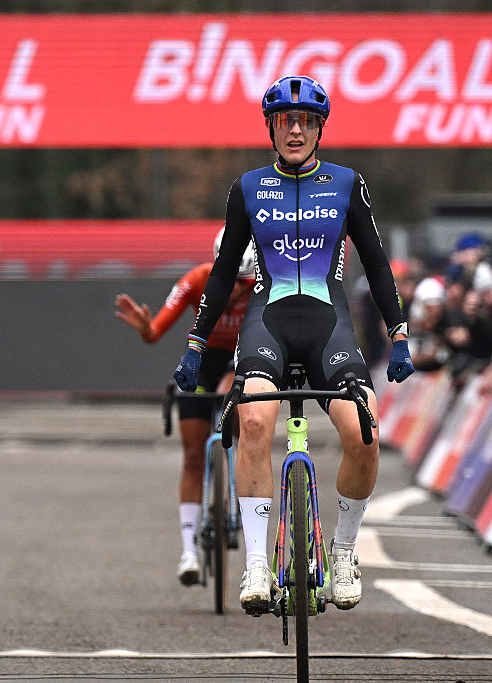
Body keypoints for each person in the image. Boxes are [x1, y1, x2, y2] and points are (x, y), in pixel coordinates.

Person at [172, 75, 413, 613]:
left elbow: (375, 261)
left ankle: (344, 552)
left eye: (306, 120)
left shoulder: (347, 183)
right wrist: (195, 343)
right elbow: (222, 272)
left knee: (365, 431)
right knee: (253, 419)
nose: (296, 129)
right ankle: (257, 562)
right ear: (272, 128)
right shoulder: (248, 187)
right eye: (286, 120)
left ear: (320, 128)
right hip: (269, 322)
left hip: (329, 324)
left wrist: (398, 332)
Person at [115, 229, 255, 586]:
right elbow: (155, 332)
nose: (237, 290)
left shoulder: (261, 286)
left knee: (238, 400)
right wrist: (145, 328)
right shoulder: (196, 280)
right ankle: (188, 551)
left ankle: (242, 500)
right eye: (231, 282)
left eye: (244, 282)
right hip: (203, 361)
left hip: (243, 361)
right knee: (193, 454)